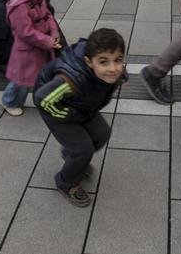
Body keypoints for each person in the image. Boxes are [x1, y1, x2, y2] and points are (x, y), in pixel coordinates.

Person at [34, 28, 126, 207]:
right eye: (104, 62)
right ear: (89, 62)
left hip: (82, 104)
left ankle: (73, 158)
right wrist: (69, 116)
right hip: (56, 108)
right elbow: (43, 100)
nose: (113, 68)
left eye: (118, 60)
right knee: (82, 149)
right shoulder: (71, 80)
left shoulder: (108, 73)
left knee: (102, 134)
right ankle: (66, 183)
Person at [3, 0, 61, 116]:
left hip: (41, 46)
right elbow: (25, 33)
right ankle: (10, 101)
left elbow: (48, 15)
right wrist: (49, 41)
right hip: (27, 50)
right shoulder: (19, 5)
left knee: (40, 75)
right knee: (21, 79)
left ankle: (47, 98)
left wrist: (54, 32)